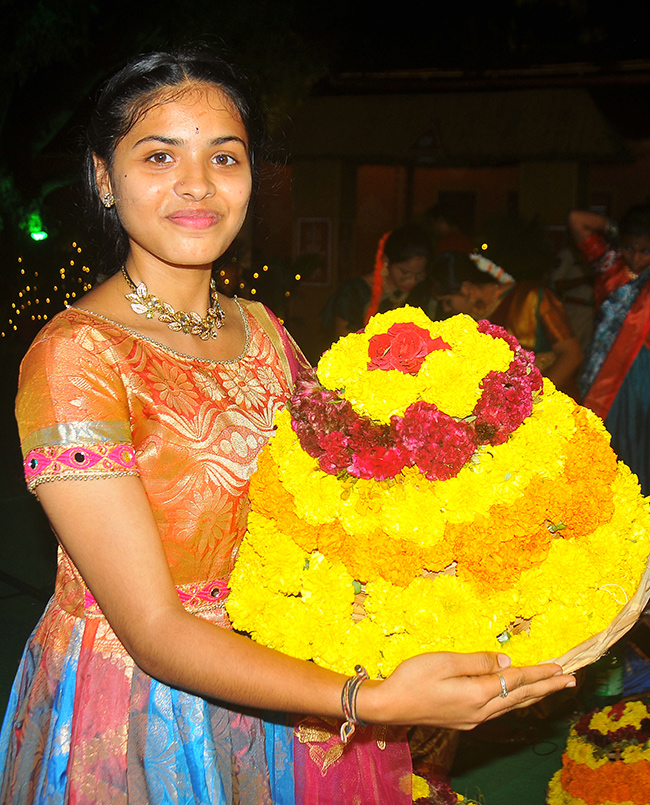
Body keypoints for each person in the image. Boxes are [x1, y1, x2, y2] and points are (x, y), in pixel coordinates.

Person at [0, 48, 575, 804]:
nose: (197, 183)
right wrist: (363, 699)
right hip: (152, 711)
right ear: (104, 178)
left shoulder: (265, 330)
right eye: (160, 154)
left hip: (292, 667)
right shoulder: (76, 355)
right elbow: (154, 629)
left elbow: (332, 512)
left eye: (224, 157)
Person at [569, 205, 650, 495]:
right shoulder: (610, 267)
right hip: (607, 373)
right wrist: (618, 228)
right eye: (630, 247)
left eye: (645, 251)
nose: (637, 257)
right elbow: (576, 219)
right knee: (611, 441)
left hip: (645, 374)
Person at [433, 251, 583, 397]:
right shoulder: (468, 321)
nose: (446, 309)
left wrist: (535, 399)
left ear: (466, 289)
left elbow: (572, 354)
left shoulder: (531, 296)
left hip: (551, 401)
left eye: (447, 301)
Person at [321, 225, 436, 339]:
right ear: (386, 261)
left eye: (419, 274)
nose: (412, 281)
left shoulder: (424, 291)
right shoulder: (355, 292)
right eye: (404, 273)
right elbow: (344, 340)